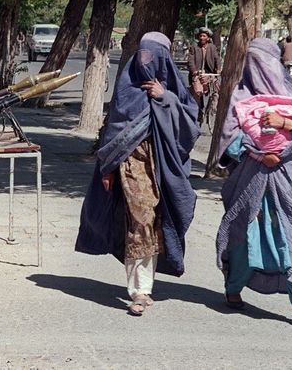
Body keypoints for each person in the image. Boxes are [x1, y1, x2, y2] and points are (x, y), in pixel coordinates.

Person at [76, 32, 200, 317]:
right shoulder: (128, 87)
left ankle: (147, 284)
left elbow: (190, 125)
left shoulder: (172, 88)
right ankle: (140, 291)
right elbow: (116, 129)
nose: (147, 61)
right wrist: (107, 168)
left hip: (164, 168)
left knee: (156, 222)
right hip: (131, 164)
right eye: (143, 54)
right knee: (140, 219)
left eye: (154, 55)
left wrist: (165, 98)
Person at [216, 38, 292, 324]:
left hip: (285, 176)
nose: (258, 69)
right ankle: (234, 288)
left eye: (263, 62)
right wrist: (258, 152)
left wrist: (285, 125)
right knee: (244, 232)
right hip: (248, 178)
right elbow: (229, 139)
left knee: (290, 231)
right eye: (252, 62)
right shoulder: (240, 96)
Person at [187, 27, 222, 121]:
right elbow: (190, 61)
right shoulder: (194, 47)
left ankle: (213, 107)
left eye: (204, 36)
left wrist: (218, 69)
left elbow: (217, 59)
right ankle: (199, 110)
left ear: (208, 38)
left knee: (216, 89)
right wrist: (194, 70)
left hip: (209, 74)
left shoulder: (212, 47)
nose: (202, 38)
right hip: (197, 74)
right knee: (198, 92)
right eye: (201, 36)